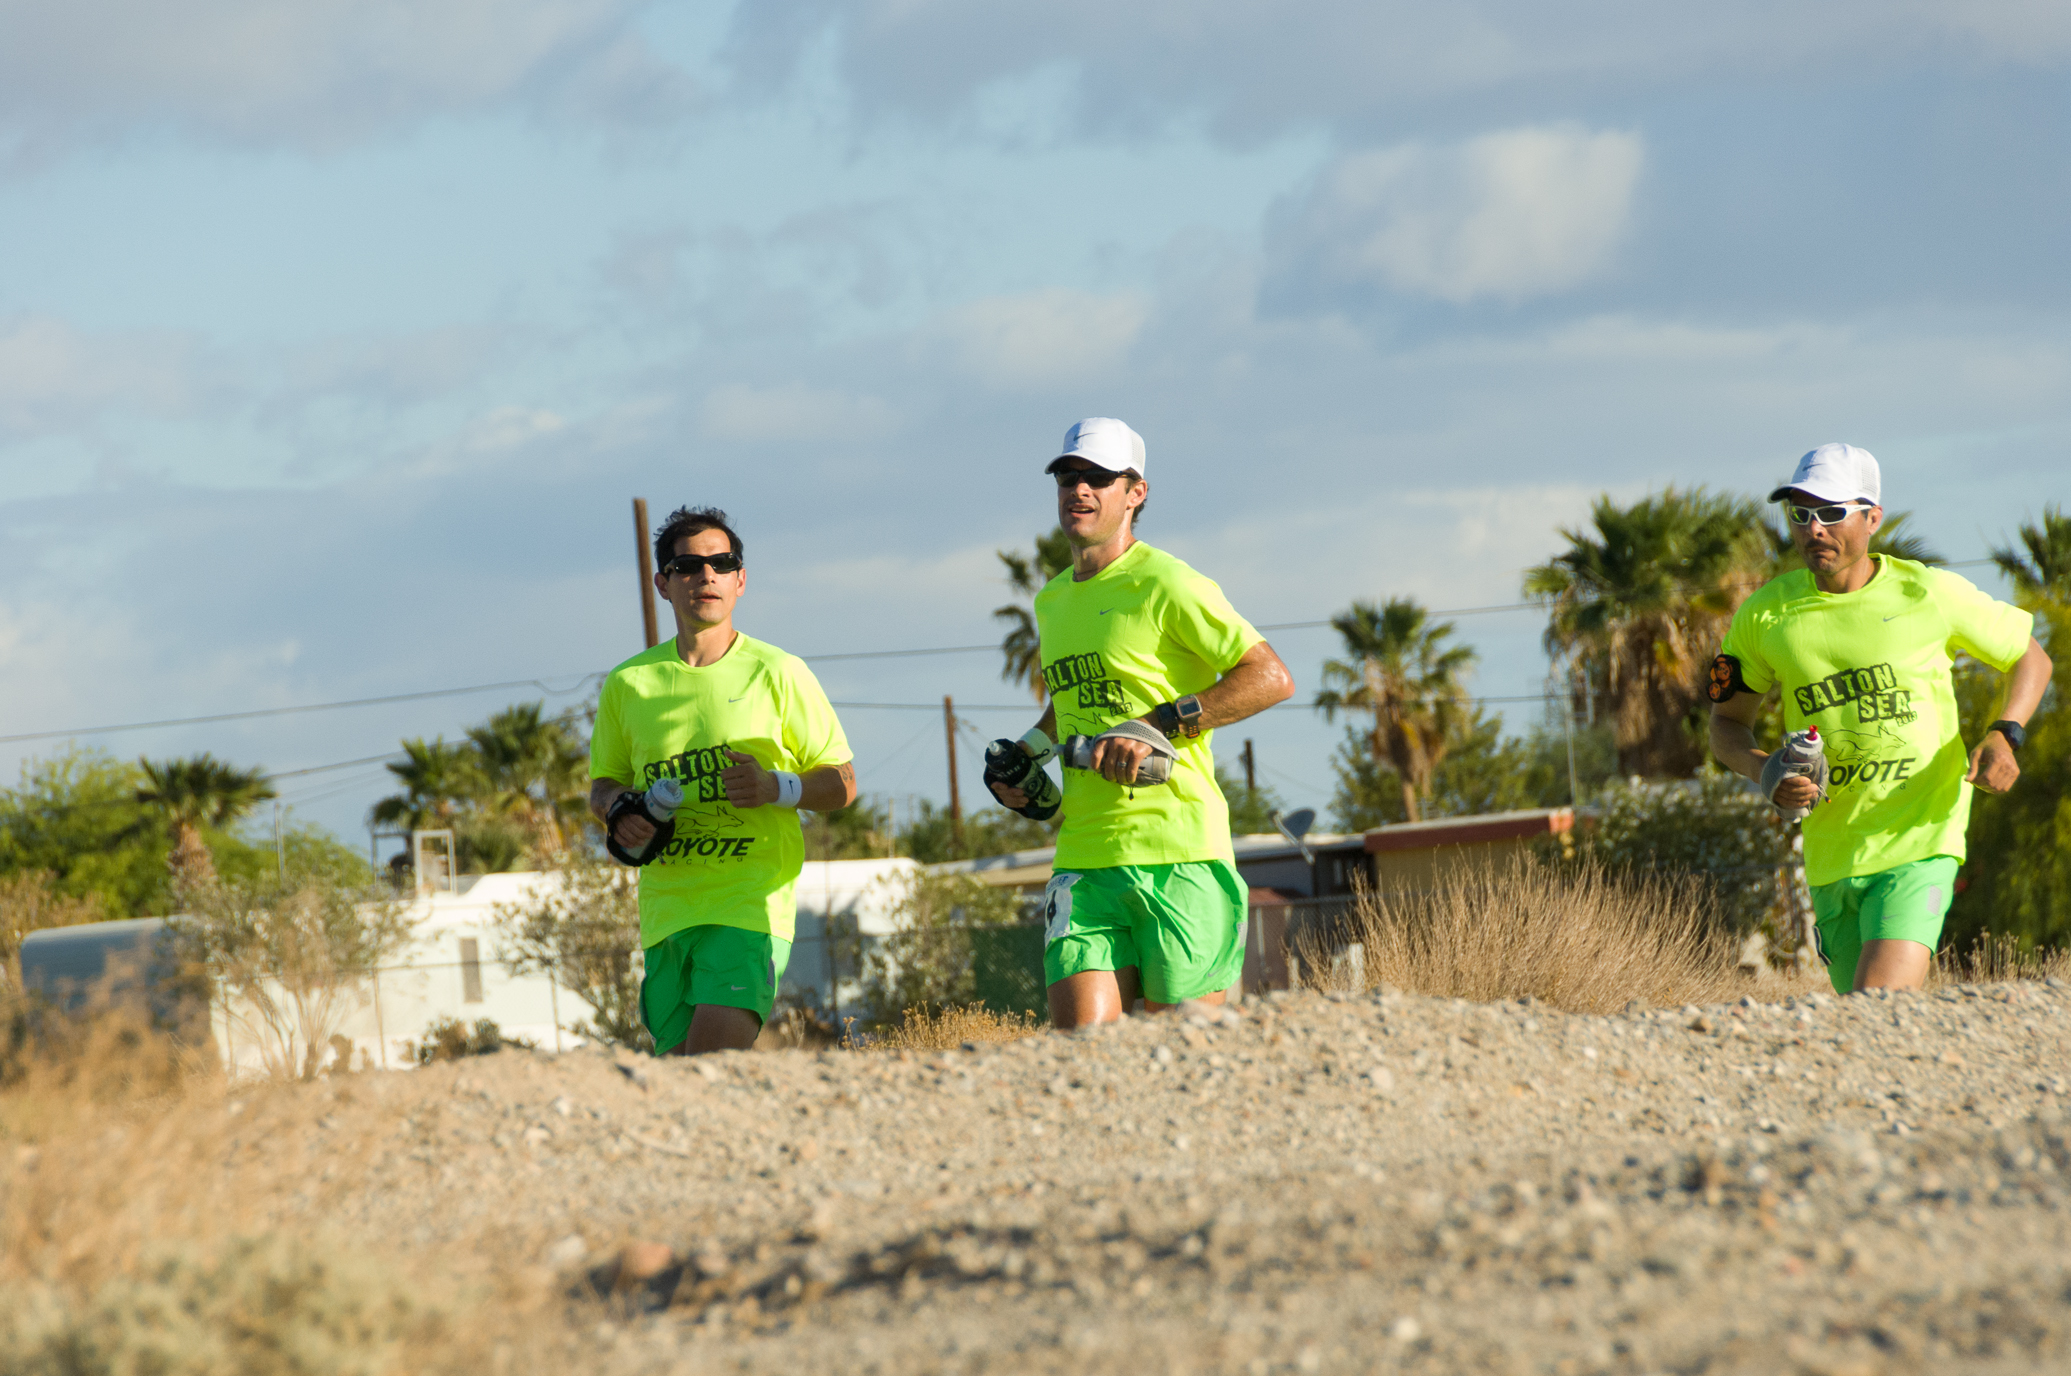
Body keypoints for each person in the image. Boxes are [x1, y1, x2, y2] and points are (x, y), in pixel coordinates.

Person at [1708, 444, 2051, 994]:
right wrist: (1765, 771)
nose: (1813, 528)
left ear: (1872, 518)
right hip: (1830, 856)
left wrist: (2004, 734)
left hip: (1922, 839)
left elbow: (2030, 657)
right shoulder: (1767, 614)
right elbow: (1726, 727)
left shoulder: (1927, 593)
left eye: (1830, 512)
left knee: (1878, 1003)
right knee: (1863, 1034)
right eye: (1800, 513)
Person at [986, 418, 1296, 1027]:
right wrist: (1026, 758)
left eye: (1098, 477)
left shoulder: (1169, 581)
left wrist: (1155, 725)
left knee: (1174, 1063)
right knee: (1083, 1058)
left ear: (1136, 492)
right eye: (1068, 476)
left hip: (1180, 854)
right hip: (1084, 856)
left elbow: (1270, 677)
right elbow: (1068, 703)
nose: (1079, 489)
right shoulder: (1051, 600)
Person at [588, 506, 856, 1054]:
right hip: (666, 915)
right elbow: (603, 785)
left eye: (721, 562)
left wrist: (778, 788)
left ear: (740, 579)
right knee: (681, 1091)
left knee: (708, 1068)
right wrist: (622, 811)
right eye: (688, 566)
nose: (706, 576)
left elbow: (844, 782)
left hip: (748, 908)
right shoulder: (628, 683)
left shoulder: (778, 671)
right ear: (663, 583)